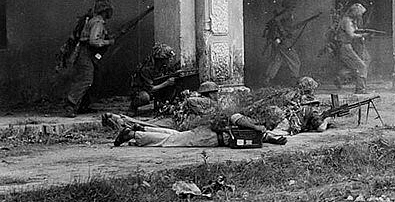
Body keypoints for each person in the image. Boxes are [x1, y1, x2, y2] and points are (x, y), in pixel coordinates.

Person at [109, 81, 286, 147]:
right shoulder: (246, 116)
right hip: (209, 137)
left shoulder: (251, 119)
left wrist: (272, 137)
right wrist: (259, 128)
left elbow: (263, 135)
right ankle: (133, 133)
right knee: (171, 141)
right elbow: (236, 118)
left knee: (174, 136)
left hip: (205, 132)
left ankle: (137, 130)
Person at [65, 0, 115, 117]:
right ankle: (70, 105)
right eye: (109, 10)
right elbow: (93, 41)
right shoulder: (97, 22)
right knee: (86, 79)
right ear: (105, 11)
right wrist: (108, 42)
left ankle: (83, 105)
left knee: (95, 79)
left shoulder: (96, 21)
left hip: (89, 54)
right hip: (86, 53)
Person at [129, 43, 180, 114]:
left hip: (156, 87)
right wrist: (166, 83)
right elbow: (151, 88)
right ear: (161, 59)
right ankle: (133, 106)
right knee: (144, 97)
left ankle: (163, 105)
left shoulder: (163, 66)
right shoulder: (146, 69)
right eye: (168, 58)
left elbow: (169, 73)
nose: (170, 60)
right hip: (142, 90)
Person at [263, 0, 302, 83]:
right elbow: (276, 20)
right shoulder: (287, 13)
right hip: (283, 40)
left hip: (281, 40)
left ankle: (267, 79)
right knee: (295, 60)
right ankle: (295, 80)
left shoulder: (287, 13)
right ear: (290, 4)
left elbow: (286, 25)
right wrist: (282, 33)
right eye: (293, 3)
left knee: (277, 60)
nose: (295, 5)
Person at [335, 3, 369, 94]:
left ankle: (341, 77)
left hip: (348, 46)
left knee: (359, 65)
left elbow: (356, 31)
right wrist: (363, 35)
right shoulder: (347, 21)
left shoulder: (351, 21)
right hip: (345, 47)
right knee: (361, 66)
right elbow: (351, 34)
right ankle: (360, 89)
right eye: (359, 14)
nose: (360, 16)